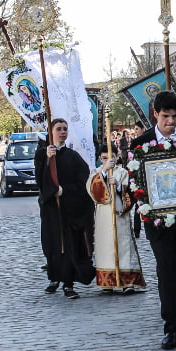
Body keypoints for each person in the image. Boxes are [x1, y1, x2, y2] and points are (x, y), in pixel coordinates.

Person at [130, 91, 176, 350]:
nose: (171, 122)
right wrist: (142, 200)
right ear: (155, 114)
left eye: (175, 116)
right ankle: (172, 326)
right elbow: (134, 180)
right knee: (168, 270)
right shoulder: (140, 144)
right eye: (166, 116)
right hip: (157, 221)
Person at [34, 118, 96, 299]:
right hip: (51, 209)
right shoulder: (42, 154)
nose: (62, 132)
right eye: (59, 129)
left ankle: (68, 283)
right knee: (52, 244)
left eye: (65, 129)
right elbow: (39, 179)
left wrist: (65, 190)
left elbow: (83, 182)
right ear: (51, 132)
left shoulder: (73, 156)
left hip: (70, 209)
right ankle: (54, 277)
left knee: (69, 245)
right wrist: (47, 159)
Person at [87, 146, 146, 293]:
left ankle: (127, 282)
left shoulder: (123, 172)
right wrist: (104, 173)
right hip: (103, 215)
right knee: (105, 247)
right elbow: (92, 191)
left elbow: (130, 194)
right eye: (104, 158)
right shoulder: (95, 173)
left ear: (117, 156)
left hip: (120, 214)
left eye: (111, 157)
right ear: (100, 158)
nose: (108, 160)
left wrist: (119, 186)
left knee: (123, 246)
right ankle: (108, 282)